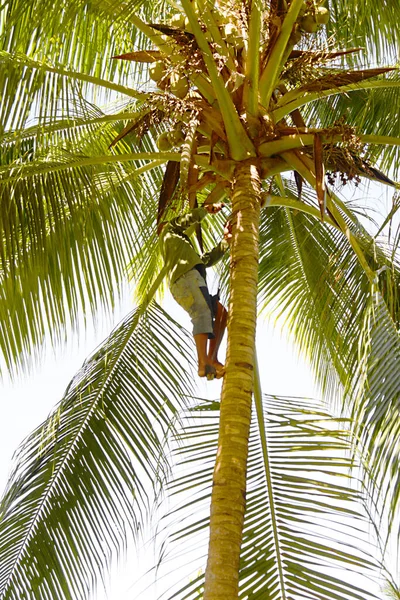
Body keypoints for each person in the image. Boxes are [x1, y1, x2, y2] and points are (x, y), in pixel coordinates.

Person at [158, 203, 231, 379]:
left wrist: (226, 241)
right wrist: (206, 209)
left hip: (190, 281)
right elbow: (185, 220)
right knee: (202, 313)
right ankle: (203, 362)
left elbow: (206, 259)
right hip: (185, 279)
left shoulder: (181, 248)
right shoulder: (169, 232)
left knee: (220, 312)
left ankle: (212, 359)